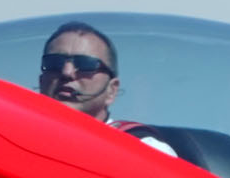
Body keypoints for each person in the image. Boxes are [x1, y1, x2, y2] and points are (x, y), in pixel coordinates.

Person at [37, 21, 175, 156]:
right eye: (54, 63)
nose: (67, 72)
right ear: (41, 81)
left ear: (111, 90)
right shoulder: (21, 137)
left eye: (86, 64)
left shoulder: (145, 149)